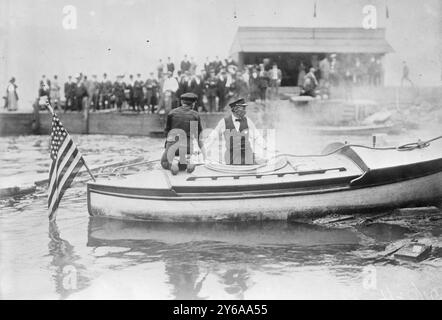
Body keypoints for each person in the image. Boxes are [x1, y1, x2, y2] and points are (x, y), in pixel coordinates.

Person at [204, 98, 267, 165]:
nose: (244, 110)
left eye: (244, 108)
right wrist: (203, 149)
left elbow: (257, 136)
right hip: (231, 156)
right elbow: (213, 136)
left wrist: (266, 147)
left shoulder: (248, 121)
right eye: (242, 108)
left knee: (261, 162)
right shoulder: (224, 122)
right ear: (235, 109)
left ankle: (256, 159)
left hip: (247, 155)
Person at [161, 92, 204, 175]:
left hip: (172, 145)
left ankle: (171, 165)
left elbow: (166, 132)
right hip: (187, 147)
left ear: (181, 102)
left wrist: (167, 147)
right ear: (193, 104)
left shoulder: (172, 113)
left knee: (164, 163)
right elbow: (198, 136)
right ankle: (188, 163)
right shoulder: (195, 115)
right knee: (183, 162)